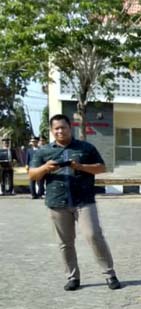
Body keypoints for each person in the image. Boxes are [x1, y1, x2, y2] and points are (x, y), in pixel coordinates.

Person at [27, 115, 120, 291]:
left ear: (70, 128)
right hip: (57, 202)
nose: (60, 131)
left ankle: (110, 274)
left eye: (63, 127)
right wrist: (46, 167)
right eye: (56, 128)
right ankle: (73, 277)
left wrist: (80, 167)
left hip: (84, 200)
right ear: (52, 131)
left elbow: (102, 167)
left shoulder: (86, 148)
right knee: (65, 242)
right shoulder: (44, 151)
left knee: (94, 235)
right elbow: (32, 175)